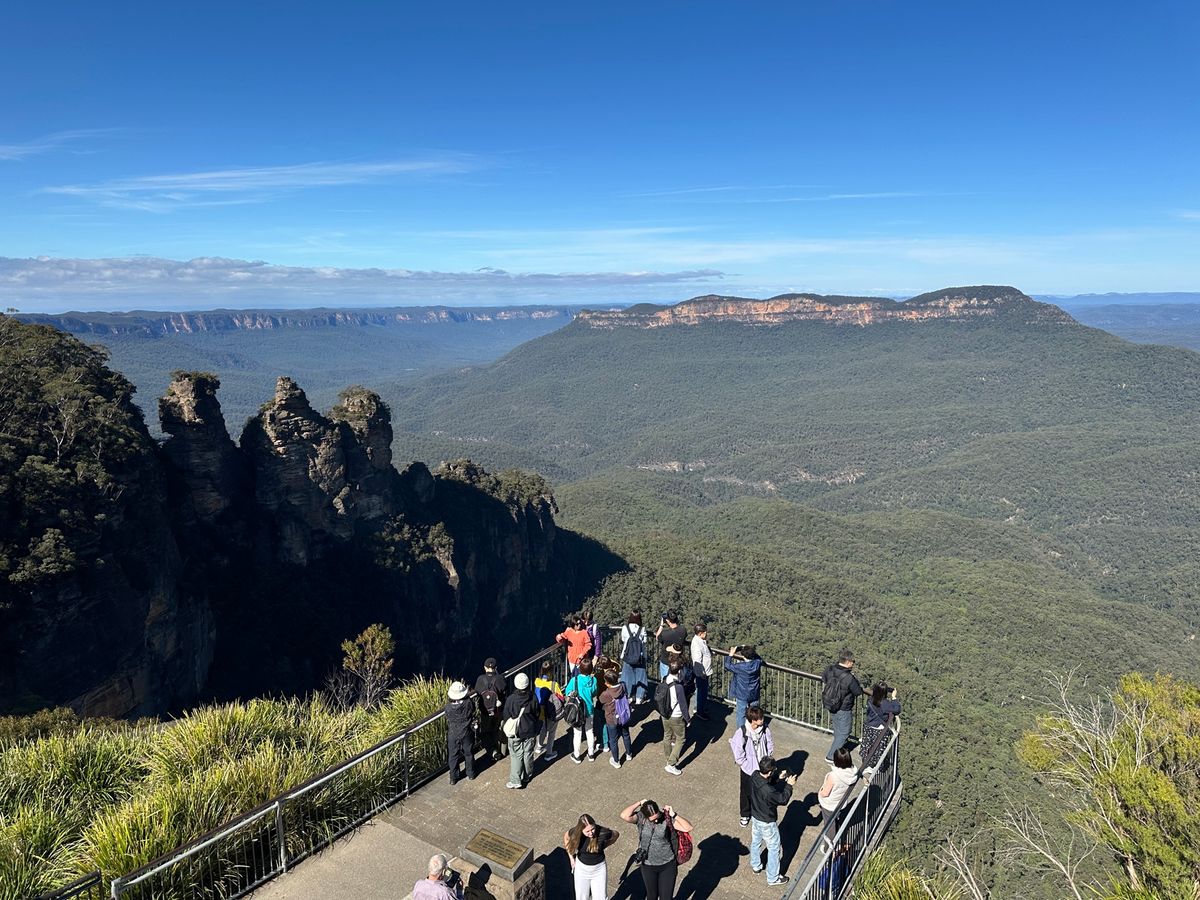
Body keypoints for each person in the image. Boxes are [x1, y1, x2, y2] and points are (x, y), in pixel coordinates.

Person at [620, 799, 693, 900]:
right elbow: (624, 815)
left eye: (657, 817)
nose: (656, 821)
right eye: (652, 819)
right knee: (652, 896)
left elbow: (688, 828)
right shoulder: (641, 818)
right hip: (648, 865)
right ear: (645, 816)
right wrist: (639, 803)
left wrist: (674, 814)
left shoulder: (666, 819)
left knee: (666, 898)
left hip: (668, 865)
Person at [748, 756, 796, 887]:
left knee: (756, 841)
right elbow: (782, 799)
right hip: (767, 821)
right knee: (774, 848)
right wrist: (789, 785)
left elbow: (767, 783)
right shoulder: (768, 791)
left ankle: (756, 865)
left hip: (755, 816)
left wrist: (776, 779)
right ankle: (773, 877)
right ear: (769, 771)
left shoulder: (754, 776)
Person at [729, 704, 774, 827]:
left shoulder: (765, 729)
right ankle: (745, 814)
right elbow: (738, 750)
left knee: (763, 791)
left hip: (763, 767)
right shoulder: (742, 732)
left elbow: (769, 742)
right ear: (753, 720)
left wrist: (768, 756)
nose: (763, 720)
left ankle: (758, 813)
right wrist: (745, 764)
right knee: (746, 792)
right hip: (748, 769)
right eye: (760, 718)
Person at [821, 649, 866, 762]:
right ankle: (831, 757)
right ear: (848, 661)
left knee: (838, 730)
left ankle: (839, 749)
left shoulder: (830, 669)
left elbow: (824, 679)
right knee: (844, 732)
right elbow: (858, 692)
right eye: (853, 661)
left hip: (831, 704)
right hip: (843, 708)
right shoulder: (849, 677)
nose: (853, 664)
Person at [564, 813, 619, 900]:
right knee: (581, 897)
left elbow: (615, 834)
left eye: (592, 829)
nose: (591, 833)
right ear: (581, 830)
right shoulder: (575, 832)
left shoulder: (603, 832)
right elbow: (566, 837)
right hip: (581, 869)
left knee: (601, 897)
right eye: (587, 831)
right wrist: (571, 858)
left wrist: (606, 845)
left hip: (599, 869)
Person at [503, 672, 540, 789]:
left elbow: (506, 716)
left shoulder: (511, 700)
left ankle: (515, 780)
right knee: (528, 753)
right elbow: (537, 713)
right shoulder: (533, 697)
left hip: (516, 732)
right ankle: (526, 776)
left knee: (516, 755)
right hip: (530, 730)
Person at [658, 660, 690, 775]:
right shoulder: (679, 687)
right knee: (681, 739)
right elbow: (683, 705)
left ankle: (668, 758)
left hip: (664, 713)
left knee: (666, 735)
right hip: (676, 716)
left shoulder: (665, 679)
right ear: (680, 671)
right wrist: (687, 719)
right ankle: (671, 763)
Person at [565, 657, 599, 762]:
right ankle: (591, 754)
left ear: (580, 669)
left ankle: (577, 755)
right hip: (589, 709)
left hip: (577, 711)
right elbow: (594, 692)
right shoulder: (594, 680)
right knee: (590, 731)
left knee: (577, 733)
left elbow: (567, 692)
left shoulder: (574, 680)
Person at [598, 667, 634, 768]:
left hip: (611, 719)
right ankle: (629, 754)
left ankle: (616, 760)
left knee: (613, 740)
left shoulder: (607, 693)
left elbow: (600, 700)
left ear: (608, 683)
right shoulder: (623, 686)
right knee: (626, 735)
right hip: (624, 715)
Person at [818, 746, 860, 830]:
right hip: (841, 802)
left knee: (829, 825)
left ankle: (831, 841)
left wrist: (820, 792)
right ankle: (839, 837)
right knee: (837, 820)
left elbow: (825, 793)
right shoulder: (852, 773)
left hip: (829, 804)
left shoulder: (833, 776)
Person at [862, 682, 901, 771]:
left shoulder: (871, 699)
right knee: (878, 748)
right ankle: (875, 767)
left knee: (867, 744)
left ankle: (865, 763)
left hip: (869, 726)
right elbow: (897, 709)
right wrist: (894, 698)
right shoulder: (885, 703)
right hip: (879, 729)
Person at [474, 658, 507, 761]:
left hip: (485, 712)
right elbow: (504, 690)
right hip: (498, 710)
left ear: (485, 668)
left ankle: (493, 751)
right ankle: (501, 750)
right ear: (495, 668)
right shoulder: (500, 679)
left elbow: (477, 692)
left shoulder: (480, 679)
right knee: (498, 730)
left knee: (484, 733)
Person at [444, 681, 476, 785]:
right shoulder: (468, 703)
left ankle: (453, 777)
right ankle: (470, 773)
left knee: (453, 755)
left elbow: (448, 717)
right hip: (466, 731)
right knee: (469, 752)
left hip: (453, 732)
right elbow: (473, 709)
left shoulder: (448, 707)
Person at [724, 645, 763, 729]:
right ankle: (754, 729)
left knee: (741, 715)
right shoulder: (757, 663)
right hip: (754, 693)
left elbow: (727, 665)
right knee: (754, 713)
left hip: (742, 694)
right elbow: (759, 658)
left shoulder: (740, 667)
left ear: (743, 655)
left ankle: (741, 734)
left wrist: (731, 654)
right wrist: (751, 651)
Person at [533, 659, 564, 762]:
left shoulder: (537, 681)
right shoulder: (554, 685)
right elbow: (561, 698)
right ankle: (549, 753)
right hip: (551, 711)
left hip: (540, 711)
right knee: (551, 731)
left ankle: (539, 746)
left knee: (543, 728)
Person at [620, 612, 650, 705]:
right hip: (639, 657)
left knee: (626, 677)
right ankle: (639, 697)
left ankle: (627, 696)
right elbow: (644, 641)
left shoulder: (625, 628)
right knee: (641, 677)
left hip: (628, 656)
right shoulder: (642, 629)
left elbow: (623, 639)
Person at [689, 624, 712, 720]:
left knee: (702, 691)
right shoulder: (697, 644)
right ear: (700, 633)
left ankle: (700, 707)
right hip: (702, 673)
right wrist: (701, 674)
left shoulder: (700, 641)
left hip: (704, 671)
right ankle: (700, 711)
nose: (706, 634)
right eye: (704, 632)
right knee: (702, 691)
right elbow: (697, 661)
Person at [655, 612, 686, 680]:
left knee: (665, 682)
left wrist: (661, 625)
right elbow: (678, 628)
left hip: (666, 661)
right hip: (679, 661)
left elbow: (657, 637)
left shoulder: (665, 634)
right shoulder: (683, 629)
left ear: (668, 620)